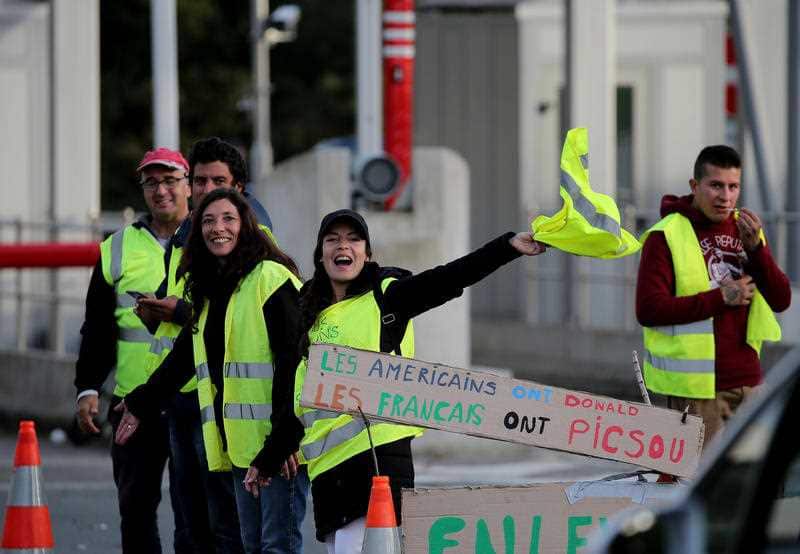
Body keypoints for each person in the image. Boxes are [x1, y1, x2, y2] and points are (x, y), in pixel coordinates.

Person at [255, 209, 547, 553]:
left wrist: (508, 246)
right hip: (328, 474)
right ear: (320, 254)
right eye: (332, 239)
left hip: (379, 464)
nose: (342, 246)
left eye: (353, 239)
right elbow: (299, 399)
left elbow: (450, 277)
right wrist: (269, 457)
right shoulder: (306, 313)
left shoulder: (386, 297)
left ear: (367, 253)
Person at [115, 188, 309, 554]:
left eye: (228, 219)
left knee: (276, 547)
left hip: (279, 447)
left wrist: (284, 437)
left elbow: (294, 359)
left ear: (247, 227)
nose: (217, 228)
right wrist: (142, 401)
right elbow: (187, 355)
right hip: (241, 447)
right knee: (253, 546)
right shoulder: (211, 289)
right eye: (207, 220)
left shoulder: (270, 278)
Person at [136, 136, 281, 554]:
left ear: (239, 189)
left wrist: (179, 312)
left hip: (226, 403)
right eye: (198, 181)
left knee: (230, 525)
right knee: (191, 518)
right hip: (187, 393)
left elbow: (228, 321)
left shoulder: (252, 236)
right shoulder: (190, 232)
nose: (204, 189)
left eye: (217, 180)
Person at [74, 147, 192, 553]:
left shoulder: (212, 237)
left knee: (195, 514)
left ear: (188, 186)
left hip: (193, 399)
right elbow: (98, 326)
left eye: (170, 181)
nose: (161, 191)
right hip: (133, 402)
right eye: (151, 182)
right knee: (135, 509)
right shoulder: (117, 247)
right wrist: (88, 388)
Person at [636, 145, 791, 448]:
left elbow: (781, 299)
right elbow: (649, 309)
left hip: (749, 382)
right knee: (707, 489)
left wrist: (758, 252)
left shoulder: (746, 230)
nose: (726, 196)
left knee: (756, 487)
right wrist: (721, 298)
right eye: (716, 185)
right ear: (695, 186)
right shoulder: (665, 235)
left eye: (733, 186)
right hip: (697, 394)